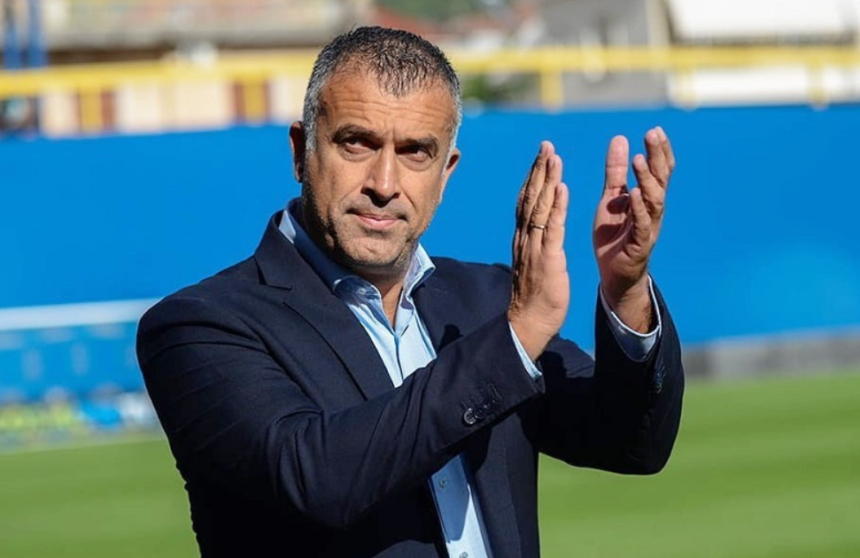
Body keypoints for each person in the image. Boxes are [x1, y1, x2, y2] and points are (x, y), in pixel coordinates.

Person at [137, 26, 683, 558]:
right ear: (302, 150)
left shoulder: (487, 299)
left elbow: (631, 443)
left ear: (446, 172)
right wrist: (516, 336)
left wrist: (627, 290)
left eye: (416, 152)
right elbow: (315, 478)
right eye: (357, 143)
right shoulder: (197, 324)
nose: (384, 183)